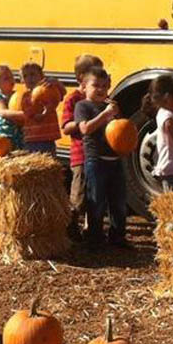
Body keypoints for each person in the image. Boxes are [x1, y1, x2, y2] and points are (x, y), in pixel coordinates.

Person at [74, 67, 128, 248]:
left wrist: (117, 114)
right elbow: (84, 129)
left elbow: (122, 130)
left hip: (115, 160)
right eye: (95, 85)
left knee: (118, 202)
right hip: (95, 160)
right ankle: (94, 238)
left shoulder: (110, 106)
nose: (100, 89)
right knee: (96, 200)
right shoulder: (83, 106)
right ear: (84, 86)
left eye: (104, 86)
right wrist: (105, 115)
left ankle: (117, 236)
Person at [62, 54, 104, 241]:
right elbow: (65, 127)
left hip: (96, 154)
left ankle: (91, 230)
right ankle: (69, 229)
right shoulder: (73, 99)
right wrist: (81, 124)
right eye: (94, 73)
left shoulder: (101, 98)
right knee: (78, 196)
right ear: (81, 78)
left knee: (94, 195)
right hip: (80, 154)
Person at [19, 62, 66, 156]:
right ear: (22, 80)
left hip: (48, 138)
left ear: (42, 76)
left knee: (49, 163)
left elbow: (62, 94)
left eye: (33, 74)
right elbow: (34, 117)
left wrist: (56, 83)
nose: (29, 78)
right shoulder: (25, 97)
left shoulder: (49, 90)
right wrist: (46, 113)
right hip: (33, 139)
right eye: (25, 76)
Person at [0, 65, 26, 149]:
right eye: (6, 78)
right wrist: (22, 114)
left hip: (18, 134)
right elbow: (2, 112)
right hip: (4, 133)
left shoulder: (17, 95)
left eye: (11, 76)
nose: (11, 80)